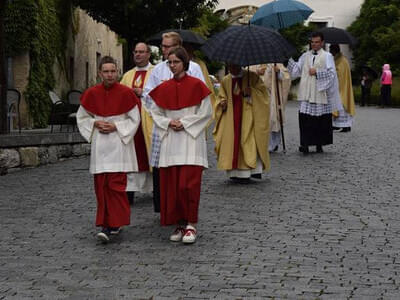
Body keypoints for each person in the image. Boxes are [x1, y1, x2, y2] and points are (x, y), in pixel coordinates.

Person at [148, 47, 212, 243]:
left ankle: (191, 224)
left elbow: (206, 112)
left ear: (185, 63)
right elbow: (155, 111)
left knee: (189, 184)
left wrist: (183, 123)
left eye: (176, 62)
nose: (173, 65)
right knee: (173, 185)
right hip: (171, 141)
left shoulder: (197, 86)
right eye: (170, 62)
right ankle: (178, 224)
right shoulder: (163, 88)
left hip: (190, 141)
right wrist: (168, 122)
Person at [77, 56, 141, 243]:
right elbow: (82, 118)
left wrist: (116, 127)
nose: (110, 74)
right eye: (106, 71)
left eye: (113, 71)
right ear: (99, 73)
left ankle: (114, 223)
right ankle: (106, 223)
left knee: (116, 186)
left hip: (118, 145)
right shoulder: (91, 93)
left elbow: (134, 118)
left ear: (117, 72)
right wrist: (95, 123)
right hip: (101, 146)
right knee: (101, 186)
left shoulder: (126, 93)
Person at [143, 32, 205, 213]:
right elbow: (148, 97)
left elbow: (201, 99)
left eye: (168, 46)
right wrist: (165, 118)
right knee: (163, 168)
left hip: (187, 128)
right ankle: (164, 206)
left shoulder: (194, 68)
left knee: (185, 172)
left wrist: (184, 121)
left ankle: (184, 210)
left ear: (179, 47)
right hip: (165, 127)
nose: (164, 50)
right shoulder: (158, 70)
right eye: (163, 46)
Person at [287, 32, 342, 154]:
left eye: (317, 42)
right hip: (306, 92)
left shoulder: (327, 56)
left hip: (319, 92)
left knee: (320, 120)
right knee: (305, 119)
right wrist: (288, 59)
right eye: (312, 42)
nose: (314, 44)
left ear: (322, 43)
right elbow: (296, 70)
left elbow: (332, 74)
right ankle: (305, 144)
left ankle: (319, 144)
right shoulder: (305, 55)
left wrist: (317, 72)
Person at [213, 64, 270, 181]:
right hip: (230, 117)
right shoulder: (226, 80)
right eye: (230, 65)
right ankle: (234, 173)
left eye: (234, 65)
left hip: (248, 116)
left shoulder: (252, 77)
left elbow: (264, 96)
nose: (232, 68)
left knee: (248, 140)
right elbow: (221, 97)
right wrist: (222, 103)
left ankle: (251, 171)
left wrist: (252, 92)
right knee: (231, 142)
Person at [120, 42, 153, 204]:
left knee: (150, 155)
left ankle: (155, 190)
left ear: (149, 54)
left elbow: (161, 93)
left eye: (142, 52)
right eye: (136, 52)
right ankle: (129, 192)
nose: (138, 55)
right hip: (131, 123)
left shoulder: (156, 72)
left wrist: (144, 92)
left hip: (150, 122)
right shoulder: (127, 76)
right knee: (131, 158)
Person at [263, 63, 291, 151]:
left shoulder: (276, 64)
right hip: (260, 96)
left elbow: (286, 78)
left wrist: (278, 72)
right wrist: (257, 71)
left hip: (273, 97)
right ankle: (262, 144)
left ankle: (273, 143)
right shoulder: (256, 64)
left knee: (273, 119)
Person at [329, 44, 355, 133]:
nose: (330, 52)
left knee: (342, 105)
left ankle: (346, 126)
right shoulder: (338, 59)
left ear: (334, 50)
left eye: (331, 50)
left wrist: (333, 70)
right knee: (338, 105)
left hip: (342, 86)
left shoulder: (342, 60)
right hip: (339, 86)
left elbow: (339, 73)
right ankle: (337, 125)